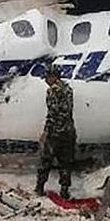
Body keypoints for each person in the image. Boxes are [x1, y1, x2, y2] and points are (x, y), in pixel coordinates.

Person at [36, 65, 76, 199]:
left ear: (52, 77)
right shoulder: (68, 89)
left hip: (55, 133)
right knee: (65, 162)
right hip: (68, 132)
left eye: (47, 77)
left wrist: (46, 132)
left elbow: (53, 113)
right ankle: (64, 189)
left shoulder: (53, 91)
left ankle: (40, 187)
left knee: (46, 160)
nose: (46, 81)